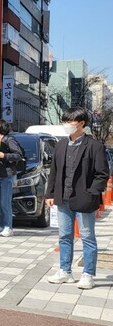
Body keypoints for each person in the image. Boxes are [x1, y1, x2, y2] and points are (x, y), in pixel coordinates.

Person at [46, 107, 109, 290]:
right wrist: (50, 194)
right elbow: (54, 172)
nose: (66, 125)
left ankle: (88, 274)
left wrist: (91, 192)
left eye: (70, 121)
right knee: (64, 236)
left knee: (88, 237)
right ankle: (65, 271)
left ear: (81, 123)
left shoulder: (95, 146)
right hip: (63, 198)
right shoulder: (60, 145)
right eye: (64, 121)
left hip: (85, 200)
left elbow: (102, 173)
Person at [0, 120, 25, 236]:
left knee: (5, 202)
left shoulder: (9, 139)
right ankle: (1, 225)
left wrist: (4, 155)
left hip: (7, 174)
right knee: (0, 202)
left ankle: (8, 227)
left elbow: (19, 155)